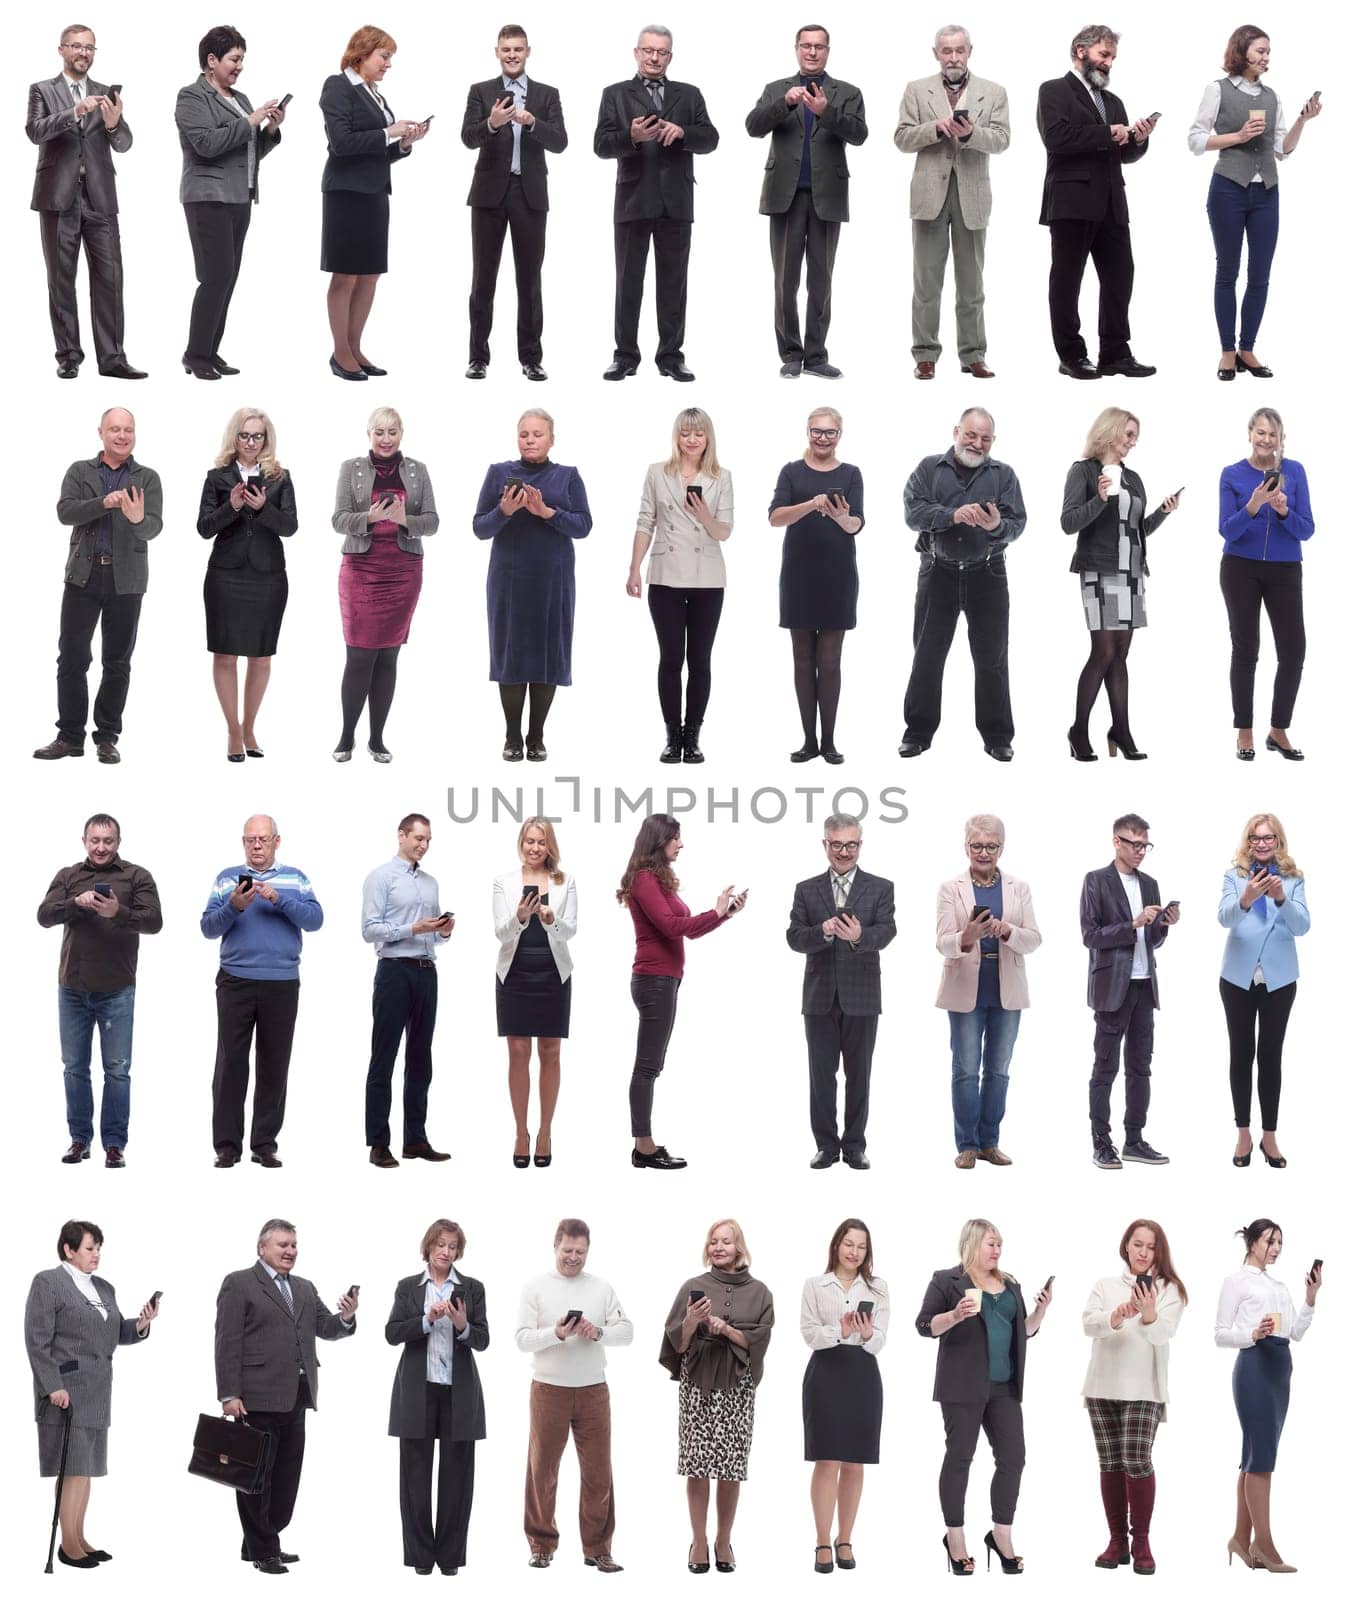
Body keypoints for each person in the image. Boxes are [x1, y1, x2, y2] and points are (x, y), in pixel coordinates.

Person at [215, 1219, 357, 1573]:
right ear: (262, 1248)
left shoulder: (305, 1288)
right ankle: (265, 1550)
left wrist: (347, 1317)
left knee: (285, 1481)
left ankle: (260, 1542)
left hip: (297, 1396)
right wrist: (229, 1393)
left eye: (294, 1245)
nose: (290, 1251)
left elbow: (325, 1327)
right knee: (254, 1480)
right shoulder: (239, 1283)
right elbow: (227, 1342)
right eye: (283, 1245)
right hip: (256, 1398)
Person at [916, 1218, 1052, 1576]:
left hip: (1004, 1386)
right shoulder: (947, 1280)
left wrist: (1040, 1310)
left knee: (1014, 1458)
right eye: (991, 1243)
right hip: (962, 1387)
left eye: (999, 1244)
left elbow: (1022, 1332)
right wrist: (954, 1315)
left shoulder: (1010, 1284)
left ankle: (1001, 1534)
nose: (997, 1250)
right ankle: (955, 1537)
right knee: (960, 1458)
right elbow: (924, 1326)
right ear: (972, 1243)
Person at [25, 1220, 157, 1570]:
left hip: (98, 1389)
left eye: (99, 1247)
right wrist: (52, 1386)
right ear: (68, 1250)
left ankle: (79, 1537)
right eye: (89, 1248)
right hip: (65, 1391)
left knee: (86, 1469)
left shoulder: (103, 1287)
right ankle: (68, 1546)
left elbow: (114, 1334)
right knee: (71, 1468)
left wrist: (140, 1325)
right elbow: (37, 1340)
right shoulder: (48, 1283)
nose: (96, 1254)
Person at [35, 408, 164, 765]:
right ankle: (70, 736)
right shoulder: (80, 471)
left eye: (128, 430)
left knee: (117, 661)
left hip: (127, 581)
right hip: (83, 576)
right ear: (101, 433)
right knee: (73, 658)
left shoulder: (147, 478)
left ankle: (107, 737)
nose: (122, 436)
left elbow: (153, 527)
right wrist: (103, 503)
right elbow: (65, 512)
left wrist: (138, 519)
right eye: (115, 429)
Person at [1190, 29, 1320, 380]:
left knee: (1260, 275)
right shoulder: (1217, 89)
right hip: (1228, 189)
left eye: (1268, 52)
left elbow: (1282, 150)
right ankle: (1227, 352)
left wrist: (1302, 121)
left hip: (1267, 193)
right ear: (1242, 51)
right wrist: (1238, 136)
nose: (1266, 57)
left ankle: (1248, 348)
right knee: (1227, 272)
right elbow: (1196, 140)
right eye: (1261, 51)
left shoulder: (1272, 96)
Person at [617, 815, 746, 1170]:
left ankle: (644, 1144)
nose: (681, 844)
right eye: (675, 838)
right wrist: (714, 912)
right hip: (654, 981)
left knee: (651, 1066)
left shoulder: (658, 880)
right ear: (659, 840)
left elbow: (685, 930)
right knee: (646, 1067)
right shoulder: (644, 880)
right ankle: (643, 1146)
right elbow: (672, 926)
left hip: (665, 980)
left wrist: (723, 915)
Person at [898, 407, 1026, 761]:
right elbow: (912, 513)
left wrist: (996, 525)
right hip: (937, 571)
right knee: (927, 655)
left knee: (993, 658)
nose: (977, 443)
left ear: (993, 441)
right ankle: (918, 732)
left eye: (985, 438)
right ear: (956, 431)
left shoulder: (1004, 475)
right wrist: (951, 515)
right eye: (971, 435)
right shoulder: (928, 469)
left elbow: (1017, 524)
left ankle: (998, 736)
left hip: (988, 574)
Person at [594, 25, 719, 381]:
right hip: (633, 199)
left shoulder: (689, 95)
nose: (654, 57)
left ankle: (671, 356)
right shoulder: (615, 94)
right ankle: (625, 355)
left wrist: (683, 134)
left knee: (674, 283)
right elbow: (601, 145)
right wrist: (630, 137)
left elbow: (710, 138)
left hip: (677, 201)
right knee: (627, 281)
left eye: (661, 52)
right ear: (636, 52)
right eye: (648, 50)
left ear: (670, 56)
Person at [37, 814, 162, 1168]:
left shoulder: (136, 876)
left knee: (117, 1069)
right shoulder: (68, 876)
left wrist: (117, 911)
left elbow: (155, 921)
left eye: (108, 841)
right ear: (84, 841)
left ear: (118, 842)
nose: (101, 847)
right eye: (95, 840)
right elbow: (44, 915)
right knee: (74, 1067)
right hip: (73, 989)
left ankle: (114, 1144)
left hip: (117, 990)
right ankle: (79, 1140)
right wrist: (76, 903)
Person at [745, 24, 868, 380]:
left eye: (819, 46)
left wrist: (827, 111)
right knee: (785, 279)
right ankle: (790, 353)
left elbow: (859, 135)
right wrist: (784, 104)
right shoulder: (777, 89)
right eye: (806, 46)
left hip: (827, 196)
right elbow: (753, 126)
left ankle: (815, 355)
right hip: (785, 195)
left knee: (821, 278)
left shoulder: (847, 92)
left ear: (828, 50)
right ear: (796, 49)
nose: (812, 52)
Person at [200, 815, 324, 1168]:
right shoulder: (227, 879)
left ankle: (264, 1144)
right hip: (235, 980)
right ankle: (227, 1146)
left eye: (263, 839)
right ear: (243, 842)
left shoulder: (295, 878)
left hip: (282, 982)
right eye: (251, 839)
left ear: (276, 842)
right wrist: (234, 906)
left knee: (274, 1064)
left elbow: (315, 921)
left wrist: (278, 900)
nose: (257, 845)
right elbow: (208, 927)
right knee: (230, 1064)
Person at [472, 409, 593, 761]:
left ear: (551, 439)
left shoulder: (567, 476)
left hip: (552, 581)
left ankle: (536, 736)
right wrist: (504, 511)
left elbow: (583, 525)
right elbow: (480, 528)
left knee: (547, 654)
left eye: (537, 434)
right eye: (524, 433)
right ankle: (512, 736)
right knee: (510, 654)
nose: (530, 439)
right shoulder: (499, 473)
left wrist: (548, 513)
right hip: (509, 580)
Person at [1036, 25, 1156, 379]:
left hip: (1111, 202)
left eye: (1112, 58)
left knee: (1121, 276)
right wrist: (1107, 133)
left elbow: (1122, 154)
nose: (1108, 64)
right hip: (1071, 201)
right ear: (1080, 51)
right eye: (1104, 55)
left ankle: (1115, 353)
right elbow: (1057, 138)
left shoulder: (1113, 101)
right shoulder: (1054, 90)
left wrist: (1138, 139)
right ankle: (1071, 355)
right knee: (1067, 280)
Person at [1061, 408, 1180, 762]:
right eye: (1128, 434)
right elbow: (1068, 523)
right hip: (1099, 570)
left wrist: (1162, 512)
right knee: (1103, 651)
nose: (1133, 441)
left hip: (1131, 573)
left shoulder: (1134, 478)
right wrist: (1098, 500)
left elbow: (1137, 529)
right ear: (1110, 431)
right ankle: (1078, 730)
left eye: (1134, 435)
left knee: (1121, 654)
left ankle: (1120, 730)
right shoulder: (1083, 471)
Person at [26, 25, 145, 380]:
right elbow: (34, 131)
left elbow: (124, 143)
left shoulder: (103, 92)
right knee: (61, 280)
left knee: (110, 278)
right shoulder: (42, 90)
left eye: (90, 47)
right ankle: (69, 355)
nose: (83, 52)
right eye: (77, 46)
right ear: (62, 49)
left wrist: (112, 123)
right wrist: (74, 112)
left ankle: (112, 359)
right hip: (58, 197)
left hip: (100, 197)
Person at [515, 1219, 633, 1572]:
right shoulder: (535, 1288)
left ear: (588, 1251)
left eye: (580, 1252)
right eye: (567, 1250)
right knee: (542, 1470)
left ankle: (598, 1548)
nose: (573, 1258)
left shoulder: (601, 1287)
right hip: (549, 1389)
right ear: (556, 1247)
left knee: (598, 1472)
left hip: (594, 1390)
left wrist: (597, 1332)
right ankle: (540, 1544)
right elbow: (521, 1339)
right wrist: (556, 1333)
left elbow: (627, 1333)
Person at [895, 25, 1010, 380]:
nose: (954, 57)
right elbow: (901, 138)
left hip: (972, 196)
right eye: (947, 51)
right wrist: (937, 128)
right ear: (936, 54)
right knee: (926, 282)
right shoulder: (917, 90)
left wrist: (972, 134)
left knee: (972, 283)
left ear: (970, 51)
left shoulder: (993, 92)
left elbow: (1003, 140)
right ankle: (925, 354)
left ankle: (973, 354)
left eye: (959, 50)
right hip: (929, 196)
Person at [661, 1220, 775, 1575]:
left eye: (726, 1241)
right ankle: (698, 1540)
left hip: (736, 1386)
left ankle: (723, 1539)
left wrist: (726, 1329)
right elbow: (674, 1344)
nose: (719, 1247)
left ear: (739, 1247)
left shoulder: (760, 1292)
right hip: (697, 1384)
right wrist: (692, 1323)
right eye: (713, 1241)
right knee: (697, 1464)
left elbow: (761, 1340)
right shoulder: (693, 1286)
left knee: (730, 1467)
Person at [175, 25, 284, 380]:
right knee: (215, 276)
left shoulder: (241, 99)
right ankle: (195, 354)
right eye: (234, 59)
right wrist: (251, 120)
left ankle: (210, 350)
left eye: (242, 60)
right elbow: (207, 145)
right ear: (212, 60)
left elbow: (248, 152)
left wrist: (268, 130)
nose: (240, 66)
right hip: (208, 198)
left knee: (229, 277)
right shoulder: (191, 96)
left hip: (240, 197)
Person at [320, 25, 430, 380]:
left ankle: (355, 347)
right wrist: (389, 132)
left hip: (375, 192)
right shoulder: (338, 86)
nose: (388, 65)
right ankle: (340, 353)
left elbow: (378, 151)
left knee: (369, 274)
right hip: (347, 193)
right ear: (362, 53)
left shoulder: (373, 93)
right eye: (384, 57)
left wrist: (405, 144)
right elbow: (341, 143)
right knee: (346, 274)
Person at [787, 814, 896, 1170]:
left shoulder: (880, 887)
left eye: (851, 844)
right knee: (820, 1076)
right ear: (825, 845)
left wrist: (859, 937)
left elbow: (887, 931)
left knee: (859, 1075)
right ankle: (825, 1146)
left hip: (862, 995)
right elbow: (794, 937)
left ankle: (854, 1146)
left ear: (860, 845)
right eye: (837, 844)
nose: (844, 852)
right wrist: (823, 931)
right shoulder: (806, 889)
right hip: (819, 996)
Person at [626, 408, 734, 763]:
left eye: (699, 433)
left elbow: (725, 532)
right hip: (665, 575)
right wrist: (634, 568)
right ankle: (673, 736)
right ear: (676, 436)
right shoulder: (657, 473)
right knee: (671, 658)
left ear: (708, 437)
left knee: (700, 659)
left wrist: (703, 513)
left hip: (708, 578)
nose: (692, 439)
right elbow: (646, 521)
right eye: (686, 433)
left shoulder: (722, 477)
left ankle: (694, 736)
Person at [331, 406, 439, 762]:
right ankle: (346, 736)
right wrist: (371, 517)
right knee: (359, 655)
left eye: (392, 431)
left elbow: (433, 521)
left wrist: (404, 518)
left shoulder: (417, 470)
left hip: (404, 570)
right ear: (369, 435)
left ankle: (377, 739)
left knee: (389, 656)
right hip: (361, 569)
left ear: (402, 434)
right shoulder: (352, 468)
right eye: (379, 432)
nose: (386, 438)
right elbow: (339, 519)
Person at [1215, 1219, 1322, 1575]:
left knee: (1255, 1454)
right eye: (1270, 1241)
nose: (1276, 1247)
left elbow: (1296, 1331)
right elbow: (1220, 1334)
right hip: (1254, 1368)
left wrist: (1310, 1298)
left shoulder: (1278, 1285)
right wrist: (1252, 1332)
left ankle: (1239, 1538)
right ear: (1251, 1242)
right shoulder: (1236, 1281)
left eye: (1280, 1242)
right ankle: (1265, 1544)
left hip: (1280, 1370)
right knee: (1261, 1457)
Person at [462, 24, 568, 381]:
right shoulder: (481, 91)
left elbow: (561, 142)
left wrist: (533, 121)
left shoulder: (546, 95)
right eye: (506, 49)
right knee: (483, 279)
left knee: (530, 280)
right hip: (489, 195)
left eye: (518, 49)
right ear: (497, 52)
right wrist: (491, 123)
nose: (512, 55)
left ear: (527, 52)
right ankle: (478, 357)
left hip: (530, 195)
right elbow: (467, 137)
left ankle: (531, 358)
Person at [935, 814, 1041, 1169]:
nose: (983, 852)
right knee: (965, 1069)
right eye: (977, 845)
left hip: (1006, 988)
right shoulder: (951, 888)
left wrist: (1007, 930)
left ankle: (990, 1143)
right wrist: (968, 936)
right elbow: (942, 943)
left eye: (991, 846)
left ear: (1002, 848)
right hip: (966, 987)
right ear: (966, 847)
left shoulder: (1018, 888)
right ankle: (967, 1144)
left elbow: (1034, 939)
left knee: (998, 1070)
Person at [1082, 1219, 1188, 1575]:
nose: (1143, 1252)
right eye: (1137, 1244)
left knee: (1136, 1459)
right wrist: (1115, 1315)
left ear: (1160, 1252)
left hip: (1144, 1389)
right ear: (1126, 1245)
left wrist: (1147, 1313)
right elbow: (1087, 1324)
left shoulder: (1169, 1289)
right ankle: (1117, 1542)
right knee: (1110, 1463)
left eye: (1151, 1247)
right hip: (1102, 1385)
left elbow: (1163, 1334)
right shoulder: (1105, 1285)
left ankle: (1140, 1540)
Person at [386, 1219, 488, 1576]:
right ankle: (420, 1559)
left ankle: (449, 1559)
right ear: (428, 1246)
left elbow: (483, 1340)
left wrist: (462, 1325)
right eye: (441, 1245)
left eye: (453, 1247)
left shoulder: (472, 1288)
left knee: (457, 1479)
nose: (446, 1252)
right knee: (414, 1479)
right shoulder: (408, 1288)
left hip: (459, 1394)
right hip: (417, 1392)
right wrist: (426, 1320)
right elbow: (391, 1333)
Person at [1080, 814, 1179, 1170]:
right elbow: (1090, 936)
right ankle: (1101, 1143)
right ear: (1116, 841)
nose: (1141, 851)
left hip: (1143, 986)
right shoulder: (1096, 881)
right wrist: (1131, 924)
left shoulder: (1149, 883)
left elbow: (1151, 941)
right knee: (1105, 1067)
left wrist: (1162, 926)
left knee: (1141, 1067)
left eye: (1145, 845)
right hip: (1111, 987)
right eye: (1134, 844)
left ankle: (1134, 1140)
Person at [198, 407, 297, 761]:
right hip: (226, 574)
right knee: (224, 654)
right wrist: (233, 506)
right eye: (245, 435)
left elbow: (290, 526)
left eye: (258, 436)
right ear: (234, 438)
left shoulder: (280, 477)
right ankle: (233, 731)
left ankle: (250, 725)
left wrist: (263, 508)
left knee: (261, 656)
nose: (251, 442)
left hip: (268, 575)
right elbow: (204, 527)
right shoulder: (217, 477)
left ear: (266, 439)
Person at [1217, 408, 1314, 760]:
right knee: (1246, 649)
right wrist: (1254, 505)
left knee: (1294, 652)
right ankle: (1245, 731)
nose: (1266, 440)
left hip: (1285, 569)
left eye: (1272, 434)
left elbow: (1307, 529)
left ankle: (1278, 730)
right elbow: (1227, 530)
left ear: (1280, 439)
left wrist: (1285, 511)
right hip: (1240, 568)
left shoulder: (1295, 472)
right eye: (1260, 432)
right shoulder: (1232, 474)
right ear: (1249, 434)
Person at [770, 407, 865, 763]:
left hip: (838, 577)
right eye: (816, 431)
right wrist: (811, 504)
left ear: (840, 435)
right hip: (798, 576)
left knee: (831, 660)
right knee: (801, 659)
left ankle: (829, 741)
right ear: (807, 432)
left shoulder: (852, 473)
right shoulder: (791, 472)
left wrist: (842, 517)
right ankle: (808, 740)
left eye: (829, 432)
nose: (822, 438)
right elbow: (775, 517)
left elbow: (856, 524)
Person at [361, 813, 454, 1169]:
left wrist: (442, 931)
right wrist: (412, 928)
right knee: (383, 1058)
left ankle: (415, 1138)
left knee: (421, 1058)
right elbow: (369, 930)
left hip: (426, 972)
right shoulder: (380, 877)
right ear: (401, 835)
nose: (423, 845)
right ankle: (378, 1143)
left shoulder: (430, 883)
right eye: (418, 838)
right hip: (394, 972)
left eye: (428, 840)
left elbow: (430, 936)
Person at [1219, 814, 1310, 1169]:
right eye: (1255, 838)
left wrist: (1281, 899)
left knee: (1271, 1057)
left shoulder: (1293, 878)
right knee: (1240, 1055)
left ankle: (1268, 1136)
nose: (1261, 843)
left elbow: (1303, 926)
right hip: (1238, 978)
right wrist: (1246, 898)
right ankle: (1243, 1133)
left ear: (1278, 841)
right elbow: (1224, 918)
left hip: (1279, 978)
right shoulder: (1234, 875)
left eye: (1268, 838)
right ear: (1248, 841)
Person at [800, 1219, 888, 1575]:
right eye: (848, 1244)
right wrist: (841, 1329)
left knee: (855, 1461)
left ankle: (845, 1537)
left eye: (861, 1246)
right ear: (836, 1245)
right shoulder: (815, 1285)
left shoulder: (879, 1288)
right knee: (828, 1460)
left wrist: (867, 1335)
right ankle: (823, 1540)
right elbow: (808, 1333)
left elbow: (881, 1340)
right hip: (826, 1372)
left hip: (863, 1375)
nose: (854, 1252)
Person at [494, 817, 576, 1170]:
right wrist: (520, 917)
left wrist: (549, 918)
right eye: (529, 841)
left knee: (551, 1052)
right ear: (521, 843)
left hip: (552, 973)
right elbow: (501, 933)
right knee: (517, 1052)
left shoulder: (565, 881)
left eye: (541, 842)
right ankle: (520, 1133)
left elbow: (570, 931)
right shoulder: (504, 882)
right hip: (514, 972)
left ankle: (545, 1131)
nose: (534, 848)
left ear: (549, 846)